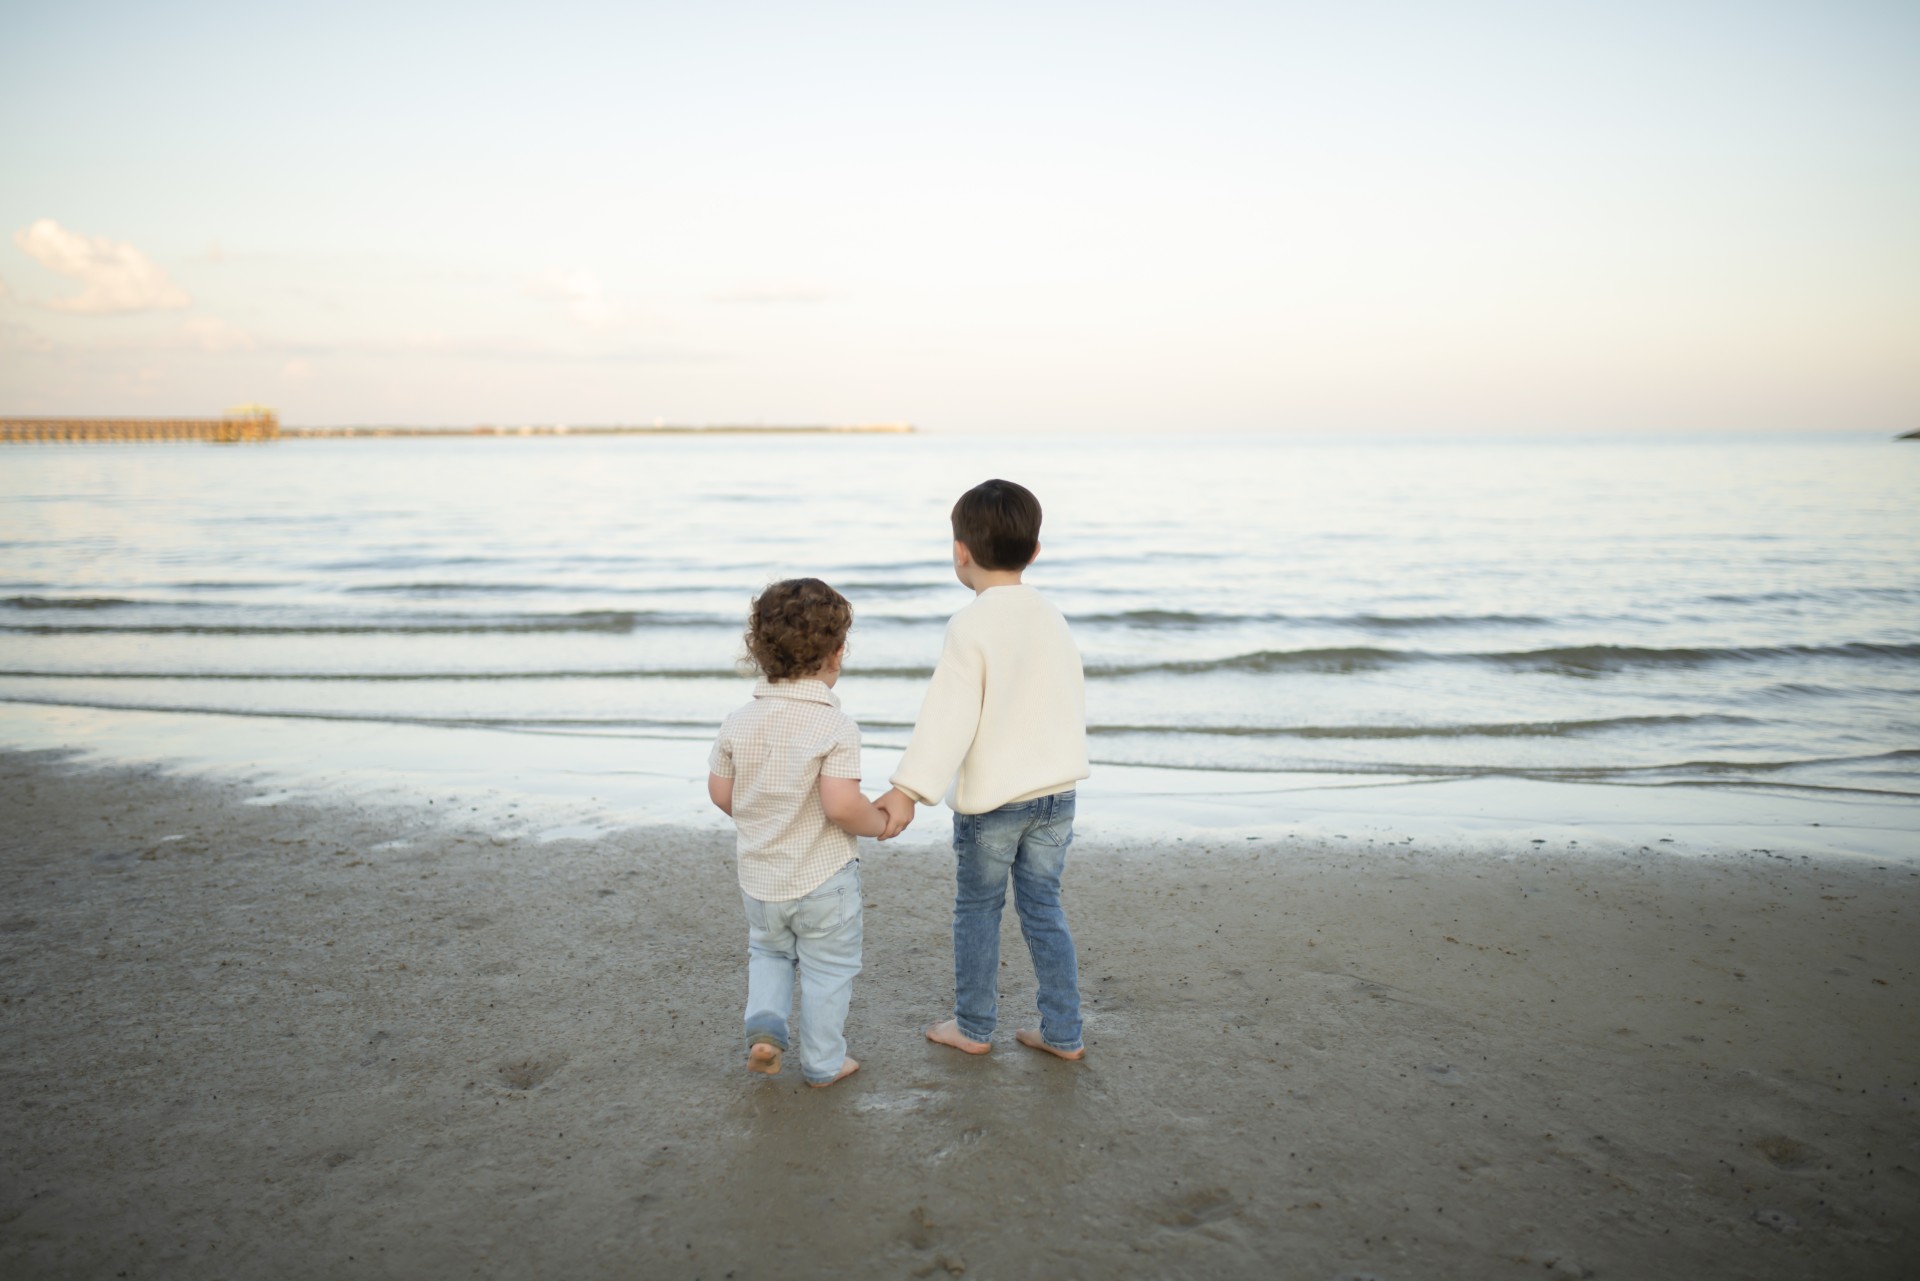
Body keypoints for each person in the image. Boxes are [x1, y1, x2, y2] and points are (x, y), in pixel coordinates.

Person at [874, 479, 1090, 1061]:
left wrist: (907, 790)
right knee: (1044, 908)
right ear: (1035, 552)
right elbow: (1066, 698)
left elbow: (947, 717)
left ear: (959, 551)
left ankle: (973, 1027)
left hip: (994, 803)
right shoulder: (1052, 617)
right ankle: (1063, 1033)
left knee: (978, 909)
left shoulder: (970, 625)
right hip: (1057, 795)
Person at [708, 577, 892, 1088]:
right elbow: (841, 806)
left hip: (760, 881)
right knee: (828, 971)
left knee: (768, 952)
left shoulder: (738, 722)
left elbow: (722, 795)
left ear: (759, 649)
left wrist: (762, 813)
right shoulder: (835, 727)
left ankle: (766, 1031)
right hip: (823, 878)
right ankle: (823, 1063)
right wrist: (879, 822)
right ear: (836, 654)